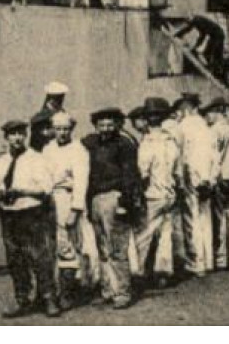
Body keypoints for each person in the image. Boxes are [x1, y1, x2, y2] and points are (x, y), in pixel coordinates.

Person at [0, 119, 60, 318]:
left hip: (31, 213)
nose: (17, 138)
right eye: (13, 134)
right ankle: (22, 299)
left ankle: (48, 298)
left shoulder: (36, 159)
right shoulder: (2, 162)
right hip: (9, 214)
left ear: (26, 136)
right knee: (15, 258)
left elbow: (45, 189)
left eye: (21, 134)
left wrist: (20, 191)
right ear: (6, 138)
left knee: (39, 256)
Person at [83, 107, 141, 309]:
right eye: (101, 125)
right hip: (95, 199)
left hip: (114, 198)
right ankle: (107, 289)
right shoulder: (90, 144)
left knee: (118, 248)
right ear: (96, 126)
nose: (106, 128)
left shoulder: (124, 145)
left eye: (110, 124)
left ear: (117, 124)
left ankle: (123, 292)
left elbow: (131, 175)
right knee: (102, 248)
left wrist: (125, 202)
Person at [44, 112, 92, 306]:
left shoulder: (78, 150)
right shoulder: (48, 149)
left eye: (65, 129)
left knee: (67, 245)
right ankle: (51, 289)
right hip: (48, 199)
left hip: (67, 198)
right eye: (58, 129)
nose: (62, 133)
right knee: (50, 245)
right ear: (52, 130)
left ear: (71, 130)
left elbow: (81, 181)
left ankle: (68, 292)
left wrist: (75, 209)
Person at [134, 97, 180, 289]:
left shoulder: (147, 143)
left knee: (144, 235)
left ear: (147, 119)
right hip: (170, 192)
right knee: (166, 234)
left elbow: (143, 173)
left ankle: (138, 272)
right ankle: (163, 272)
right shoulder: (171, 140)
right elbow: (178, 170)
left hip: (153, 194)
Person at [173, 92, 216, 277]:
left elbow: (182, 157)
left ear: (185, 109)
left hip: (191, 177)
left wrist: (181, 179)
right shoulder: (206, 127)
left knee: (192, 220)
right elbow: (214, 156)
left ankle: (196, 262)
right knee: (206, 218)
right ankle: (208, 260)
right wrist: (211, 178)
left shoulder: (182, 127)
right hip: (207, 177)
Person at [202, 98, 229, 270]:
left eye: (209, 113)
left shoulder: (215, 130)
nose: (207, 117)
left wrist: (212, 177)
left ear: (217, 111)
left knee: (219, 217)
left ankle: (221, 258)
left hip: (220, 176)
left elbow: (214, 157)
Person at [170, 14, 227, 81]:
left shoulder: (197, 21)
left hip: (218, 36)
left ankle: (218, 74)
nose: (189, 24)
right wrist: (177, 35)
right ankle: (215, 72)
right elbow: (193, 32)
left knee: (214, 56)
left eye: (188, 22)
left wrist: (194, 46)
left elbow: (199, 35)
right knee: (207, 54)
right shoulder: (198, 21)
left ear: (190, 19)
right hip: (215, 36)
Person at [31, 82, 69, 152]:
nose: (60, 101)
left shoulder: (63, 113)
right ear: (51, 99)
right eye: (58, 98)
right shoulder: (41, 117)